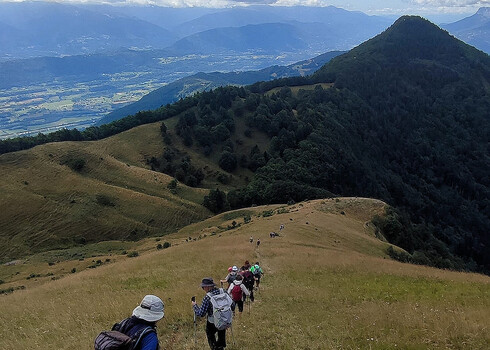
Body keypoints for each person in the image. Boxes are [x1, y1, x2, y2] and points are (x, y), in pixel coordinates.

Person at [192, 278, 228, 350]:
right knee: (221, 332)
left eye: (203, 287)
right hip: (224, 318)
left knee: (210, 335)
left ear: (207, 287)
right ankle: (221, 346)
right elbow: (232, 304)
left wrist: (195, 305)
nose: (203, 289)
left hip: (212, 321)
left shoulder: (207, 297)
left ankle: (214, 347)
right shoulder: (223, 291)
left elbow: (201, 314)